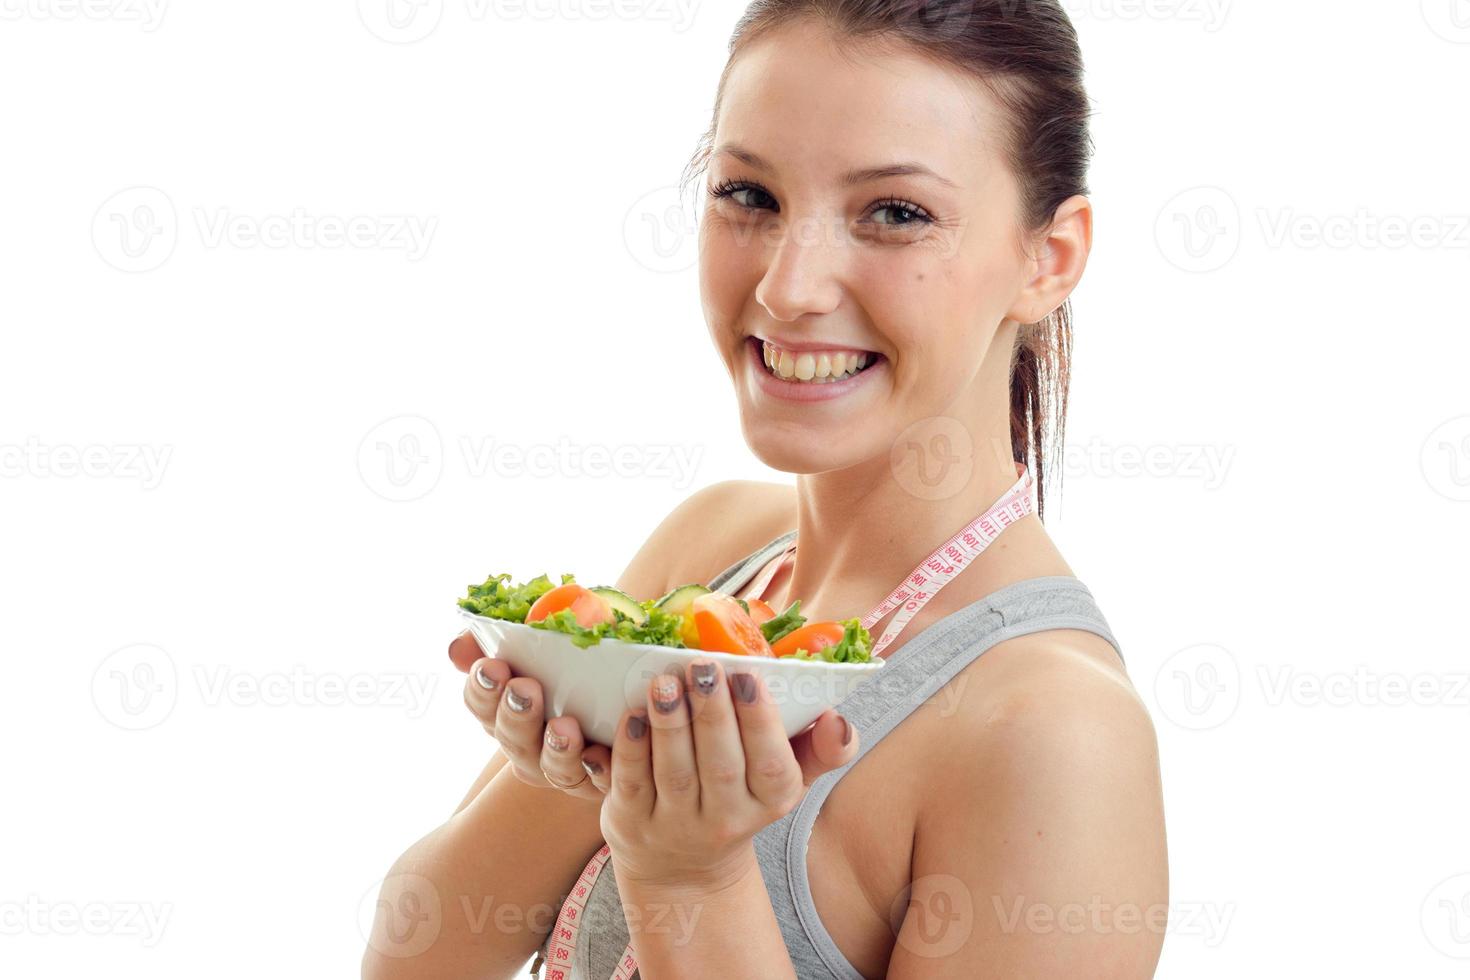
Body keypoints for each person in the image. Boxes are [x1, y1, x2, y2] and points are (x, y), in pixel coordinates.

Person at [364, 2, 1168, 977]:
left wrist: (691, 879)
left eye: (896, 213)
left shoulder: (1054, 732)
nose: (789, 287)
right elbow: (421, 956)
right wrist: (586, 765)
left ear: (1050, 259)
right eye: (749, 193)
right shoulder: (711, 553)